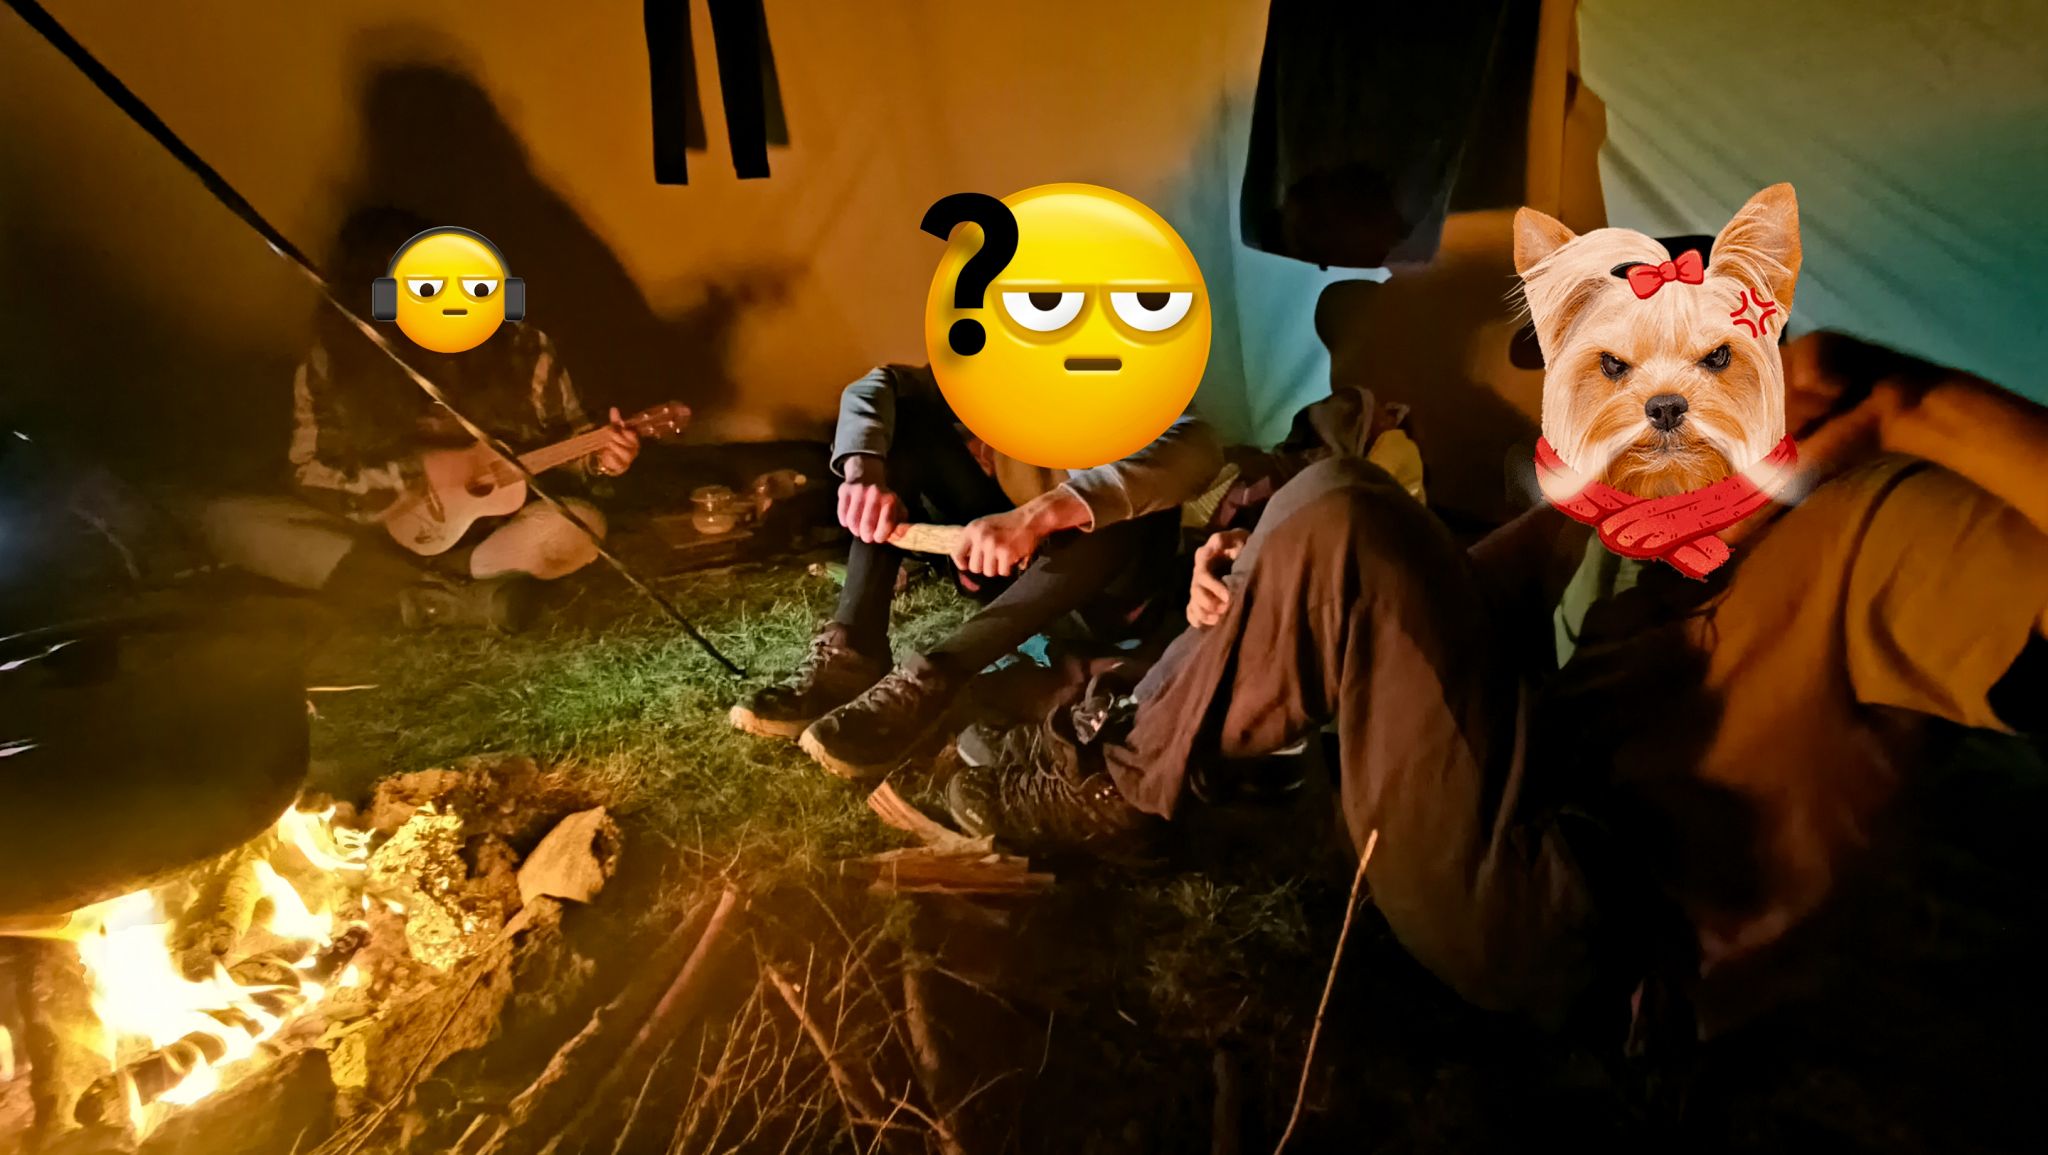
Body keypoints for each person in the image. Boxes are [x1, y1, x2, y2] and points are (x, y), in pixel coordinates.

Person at [943, 331, 2048, 1039]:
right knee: (1317, 513)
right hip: (1516, 800)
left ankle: (1115, 783)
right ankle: (1120, 747)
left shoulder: (1887, 530)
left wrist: (1913, 400)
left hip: (1606, 937)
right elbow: (1434, 611)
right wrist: (1259, 577)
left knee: (1341, 508)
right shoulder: (1656, 499)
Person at [729, 362, 1222, 782]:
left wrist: (1039, 516)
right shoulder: (1005, 352)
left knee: (1131, 511)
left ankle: (934, 680)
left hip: (1103, 594)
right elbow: (882, 383)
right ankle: (853, 652)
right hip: (1012, 566)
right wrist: (863, 473)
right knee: (905, 421)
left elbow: (1197, 445)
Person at [196, 207, 639, 630]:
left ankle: (415, 592)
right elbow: (309, 471)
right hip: (369, 538)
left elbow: (573, 436)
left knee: (580, 526)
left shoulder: (522, 349)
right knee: (228, 519)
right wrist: (410, 477)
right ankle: (450, 597)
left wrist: (601, 459)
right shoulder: (334, 362)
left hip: (490, 536)